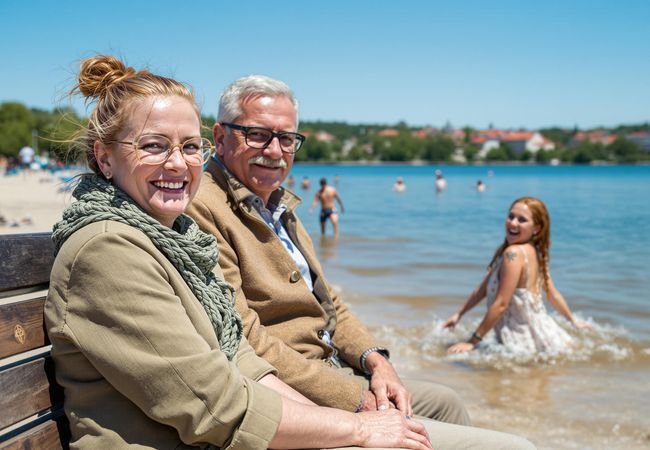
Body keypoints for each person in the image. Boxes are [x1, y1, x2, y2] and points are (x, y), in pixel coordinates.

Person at [44, 55, 433, 450]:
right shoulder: (108, 251)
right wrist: (358, 425)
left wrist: (363, 388)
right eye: (154, 146)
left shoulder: (179, 240)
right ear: (105, 157)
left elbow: (242, 357)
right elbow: (213, 407)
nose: (177, 163)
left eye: (189, 146)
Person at [186, 75, 535, 449]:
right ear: (220, 136)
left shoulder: (278, 205)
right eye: (257, 135)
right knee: (516, 448)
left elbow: (330, 303)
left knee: (446, 401)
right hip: (290, 391)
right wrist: (355, 399)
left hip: (334, 368)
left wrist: (377, 361)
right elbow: (244, 335)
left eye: (287, 139)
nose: (275, 150)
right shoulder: (203, 206)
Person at [443, 197, 591, 354]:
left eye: (522, 220)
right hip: (549, 337)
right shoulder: (536, 253)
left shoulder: (512, 254)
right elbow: (483, 289)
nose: (513, 223)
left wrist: (472, 342)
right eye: (511, 216)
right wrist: (459, 314)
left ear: (536, 228)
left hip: (523, 344)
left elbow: (501, 304)